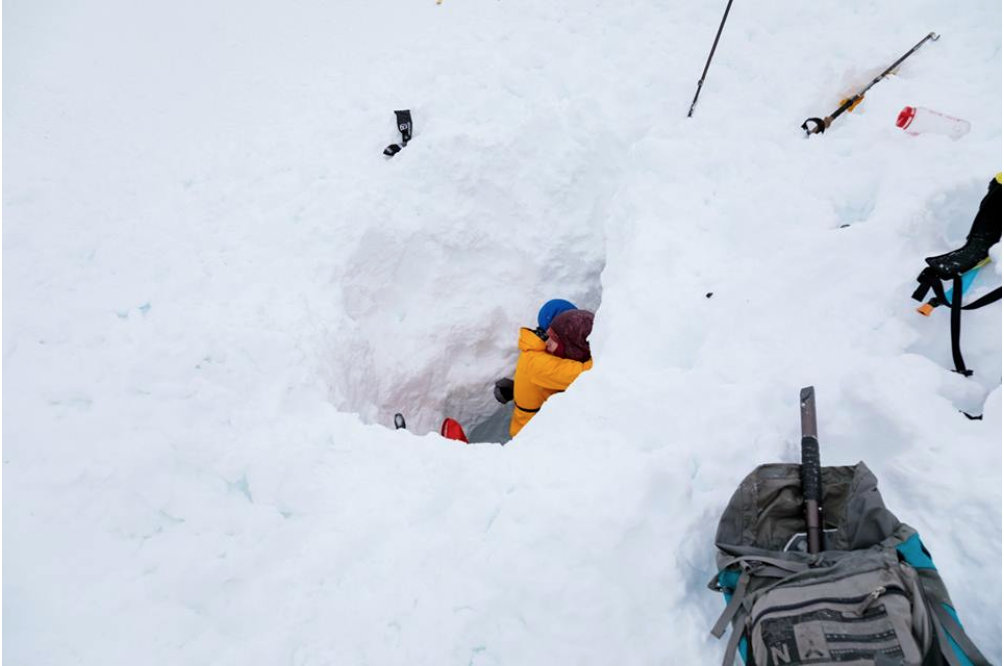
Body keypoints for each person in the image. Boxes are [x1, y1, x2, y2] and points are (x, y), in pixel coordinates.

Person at [504, 306, 594, 437]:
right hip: (530, 437)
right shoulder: (540, 363)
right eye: (548, 339)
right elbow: (589, 373)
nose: (547, 345)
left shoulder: (538, 348)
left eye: (552, 341)